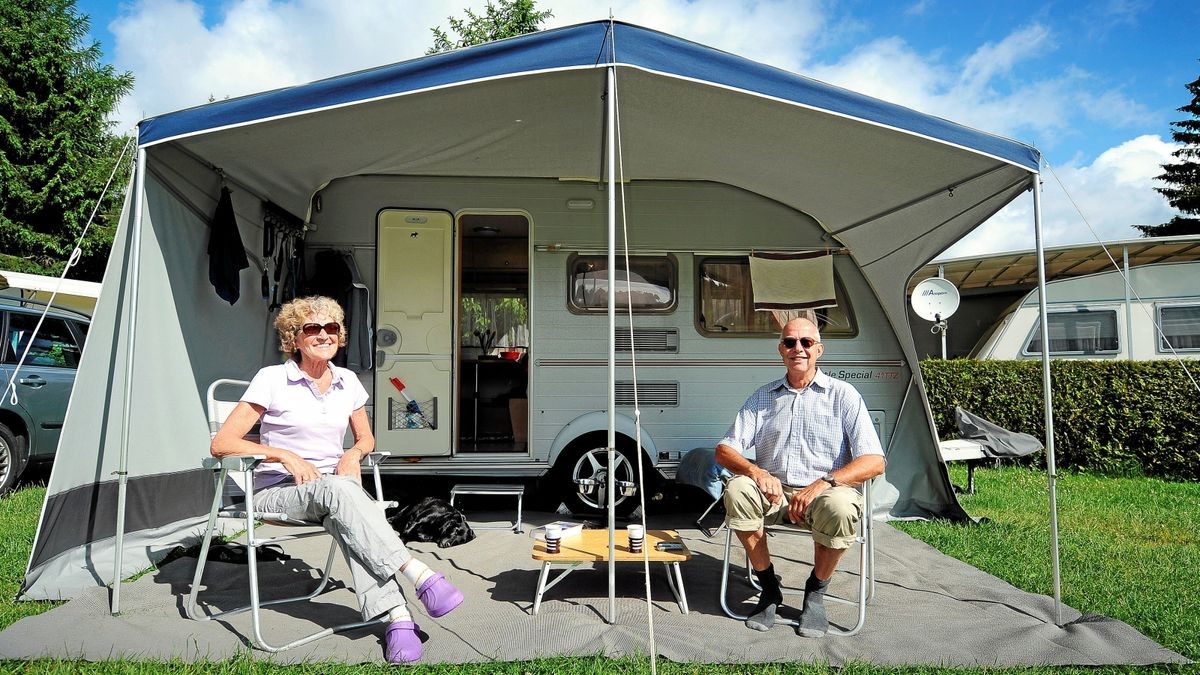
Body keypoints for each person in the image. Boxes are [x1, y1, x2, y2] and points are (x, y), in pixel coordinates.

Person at [211, 295, 462, 664]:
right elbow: (222, 444)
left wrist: (353, 453)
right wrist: (283, 454)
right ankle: (419, 573)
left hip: (334, 492)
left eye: (332, 328)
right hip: (276, 492)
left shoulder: (347, 381)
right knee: (342, 494)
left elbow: (366, 439)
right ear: (294, 338)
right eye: (313, 328)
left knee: (347, 511)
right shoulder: (272, 379)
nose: (325, 335)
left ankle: (399, 619)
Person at [715, 317, 885, 637]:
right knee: (737, 490)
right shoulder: (763, 397)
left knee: (842, 508)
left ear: (819, 349)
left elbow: (875, 461)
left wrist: (824, 482)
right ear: (781, 350)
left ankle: (816, 592)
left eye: (806, 342)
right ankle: (769, 589)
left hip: (825, 491)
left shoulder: (843, 395)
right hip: (774, 492)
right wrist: (756, 471)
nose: (798, 349)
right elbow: (724, 449)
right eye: (790, 342)